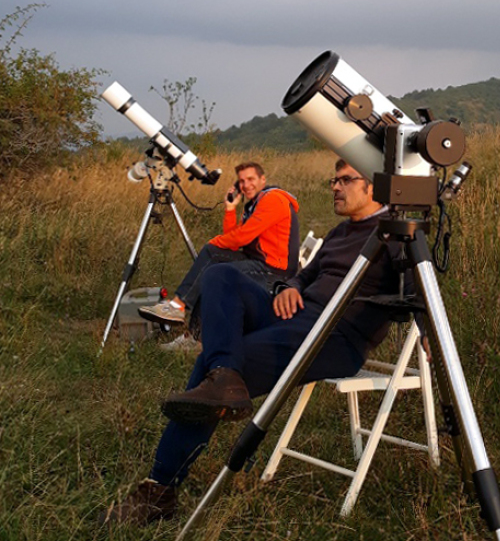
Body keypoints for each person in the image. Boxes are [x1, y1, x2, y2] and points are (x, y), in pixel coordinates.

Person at [100, 160, 412, 526]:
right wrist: (289, 288)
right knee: (220, 276)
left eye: (345, 180)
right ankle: (224, 375)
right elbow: (305, 275)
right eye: (334, 180)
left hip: (337, 335)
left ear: (373, 186)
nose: (335, 187)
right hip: (297, 313)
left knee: (216, 366)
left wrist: (427, 334)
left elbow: (419, 289)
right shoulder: (341, 231)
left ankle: (160, 489)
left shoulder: (396, 234)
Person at [138, 161, 300, 338]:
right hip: (258, 262)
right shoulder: (254, 204)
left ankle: (187, 322)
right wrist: (230, 209)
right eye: (242, 181)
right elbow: (234, 241)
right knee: (212, 258)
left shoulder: (273, 200)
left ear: (263, 179)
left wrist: (215, 242)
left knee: (215, 271)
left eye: (251, 179)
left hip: (274, 272)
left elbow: (241, 238)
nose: (246, 185)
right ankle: (185, 320)